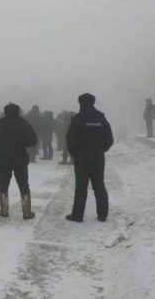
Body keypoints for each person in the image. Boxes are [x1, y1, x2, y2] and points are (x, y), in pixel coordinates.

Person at [65, 94, 114, 223]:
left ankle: (78, 215)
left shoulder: (78, 119)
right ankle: (102, 214)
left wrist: (75, 153)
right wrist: (100, 150)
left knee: (81, 186)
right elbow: (109, 139)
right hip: (97, 157)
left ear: (81, 103)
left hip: (81, 157)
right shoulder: (101, 118)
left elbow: (70, 139)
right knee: (99, 185)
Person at [0, 103, 38, 219]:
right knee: (23, 183)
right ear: (18, 111)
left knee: (3, 183)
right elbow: (33, 140)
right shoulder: (24, 124)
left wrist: (0, 142)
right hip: (20, 155)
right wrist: (22, 143)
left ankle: (4, 210)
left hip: (3, 156)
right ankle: (26, 211)